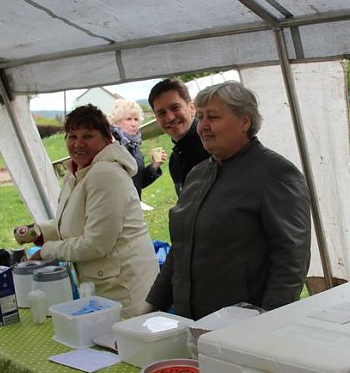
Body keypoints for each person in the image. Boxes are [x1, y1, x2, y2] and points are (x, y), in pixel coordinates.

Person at [145, 81, 312, 320]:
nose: (203, 127)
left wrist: (268, 321)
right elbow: (181, 250)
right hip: (189, 321)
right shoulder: (198, 174)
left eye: (213, 117)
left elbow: (291, 261)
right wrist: (150, 307)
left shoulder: (277, 174)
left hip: (240, 326)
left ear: (245, 121)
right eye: (201, 117)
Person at [19, 104, 158, 317]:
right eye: (72, 136)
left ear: (106, 139)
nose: (78, 144)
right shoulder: (78, 171)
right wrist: (40, 231)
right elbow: (77, 221)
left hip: (126, 289)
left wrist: (46, 251)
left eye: (88, 136)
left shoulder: (105, 174)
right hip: (105, 286)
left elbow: (96, 244)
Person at [148, 79, 210, 196]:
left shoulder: (214, 146)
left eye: (175, 107)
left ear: (192, 108)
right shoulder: (175, 160)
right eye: (161, 113)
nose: (170, 117)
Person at [108, 98, 166, 198]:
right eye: (129, 119)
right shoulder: (111, 145)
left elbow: (139, 183)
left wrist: (154, 166)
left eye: (136, 119)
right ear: (117, 122)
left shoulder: (134, 146)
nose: (134, 124)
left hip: (133, 206)